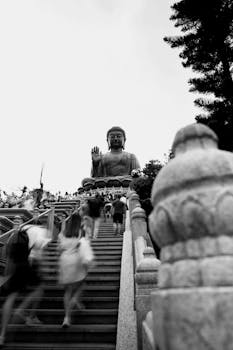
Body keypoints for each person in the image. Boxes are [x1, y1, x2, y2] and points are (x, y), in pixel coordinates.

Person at [0, 224, 51, 346]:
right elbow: (39, 251)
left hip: (14, 260)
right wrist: (45, 268)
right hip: (25, 261)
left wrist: (8, 269)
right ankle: (24, 312)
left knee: (11, 295)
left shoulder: (23, 228)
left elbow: (9, 247)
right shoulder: (43, 231)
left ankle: (1, 335)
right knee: (39, 288)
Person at [58, 212, 94, 328]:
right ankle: (74, 301)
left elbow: (58, 249)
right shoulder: (81, 232)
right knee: (82, 284)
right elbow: (84, 246)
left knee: (67, 290)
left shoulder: (62, 233)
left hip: (64, 260)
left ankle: (66, 318)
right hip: (76, 260)